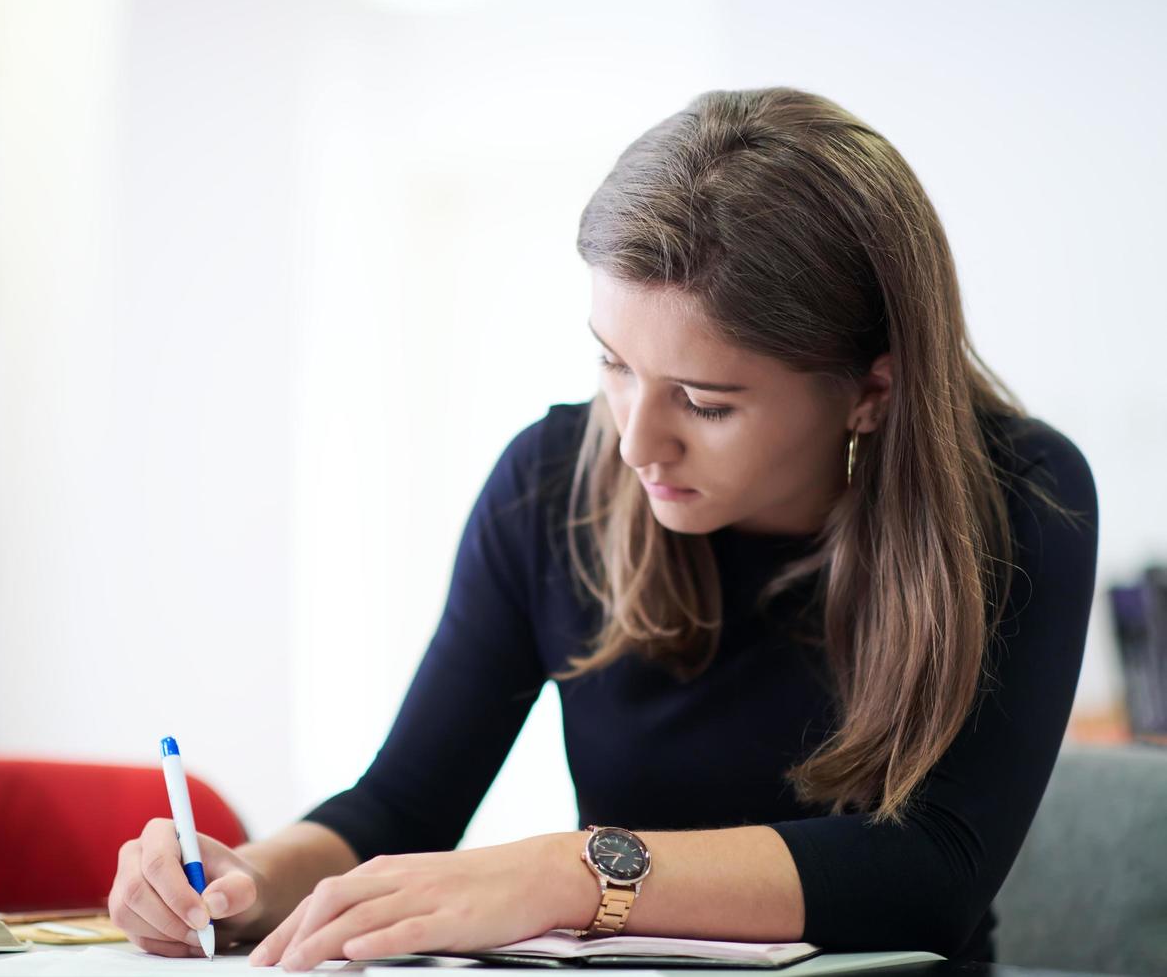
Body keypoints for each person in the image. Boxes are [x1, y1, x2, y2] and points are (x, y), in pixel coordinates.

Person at [106, 87, 1099, 970]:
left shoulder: (1019, 497)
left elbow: (936, 869)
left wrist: (581, 869)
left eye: (705, 403)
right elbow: (399, 808)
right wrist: (250, 880)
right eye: (613, 364)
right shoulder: (547, 481)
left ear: (871, 389)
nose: (635, 444)